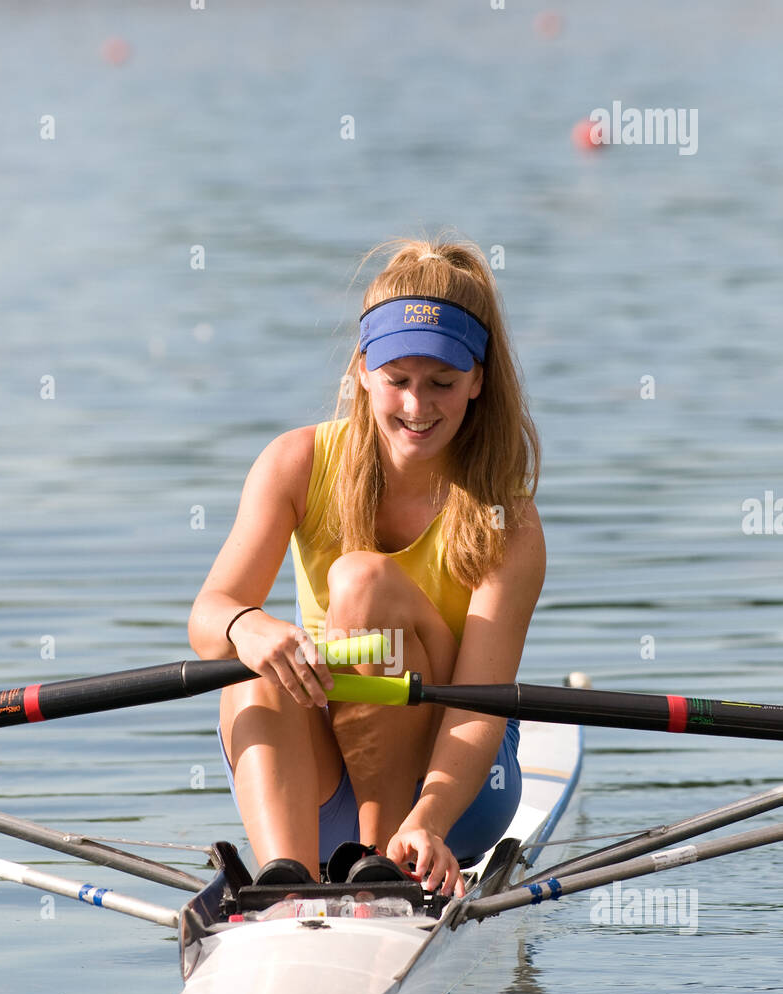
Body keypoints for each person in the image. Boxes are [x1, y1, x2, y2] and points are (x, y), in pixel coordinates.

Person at [188, 235, 544, 898]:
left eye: (441, 383)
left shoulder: (506, 519)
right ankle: (285, 886)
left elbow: (479, 711)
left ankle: (386, 860)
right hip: (317, 785)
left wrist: (428, 820)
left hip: (451, 792)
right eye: (397, 381)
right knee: (251, 657)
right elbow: (208, 616)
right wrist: (247, 626)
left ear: (477, 381)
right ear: (360, 370)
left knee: (361, 581)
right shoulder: (293, 463)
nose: (416, 406)